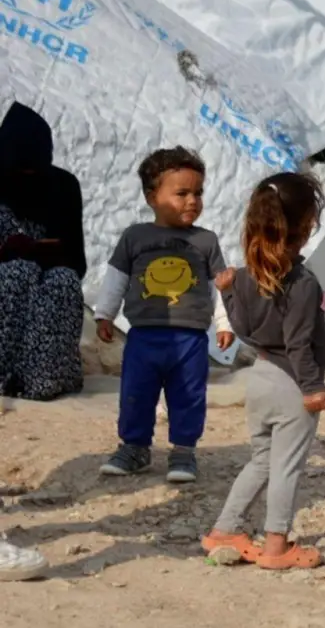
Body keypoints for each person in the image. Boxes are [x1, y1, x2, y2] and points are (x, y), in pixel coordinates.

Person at [203, 172, 325, 570]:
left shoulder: (242, 278)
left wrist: (227, 291)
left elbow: (241, 330)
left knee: (261, 460)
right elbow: (298, 344)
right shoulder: (303, 283)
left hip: (258, 377)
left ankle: (225, 530)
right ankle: (276, 546)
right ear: (307, 226)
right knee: (286, 466)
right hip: (291, 385)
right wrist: (312, 387)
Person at [93, 147, 235, 483]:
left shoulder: (205, 241)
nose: (192, 201)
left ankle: (184, 452)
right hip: (143, 336)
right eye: (182, 193)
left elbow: (220, 286)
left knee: (188, 394)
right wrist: (104, 314)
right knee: (136, 393)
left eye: (198, 193)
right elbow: (117, 278)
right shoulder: (135, 237)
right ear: (151, 197)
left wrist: (224, 324)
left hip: (190, 340)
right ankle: (134, 448)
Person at [0, 102, 87, 403]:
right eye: (18, 169)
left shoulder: (63, 187)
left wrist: (43, 253)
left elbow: (78, 262)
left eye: (33, 169)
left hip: (49, 273)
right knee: (16, 274)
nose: (26, 175)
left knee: (63, 282)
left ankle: (46, 378)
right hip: (6, 276)